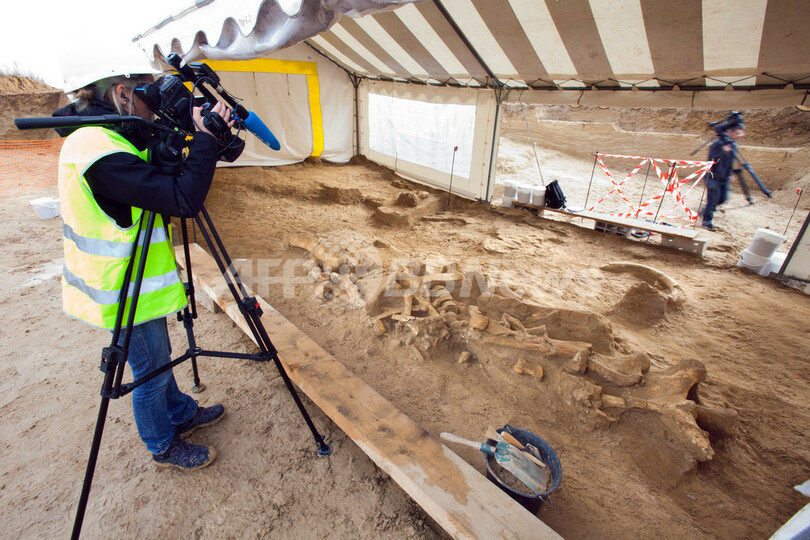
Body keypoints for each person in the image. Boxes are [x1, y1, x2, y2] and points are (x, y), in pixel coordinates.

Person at [56, 70, 233, 471]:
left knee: (159, 355)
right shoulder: (97, 149)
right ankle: (163, 445)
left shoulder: (104, 135)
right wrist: (204, 139)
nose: (153, 105)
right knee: (151, 371)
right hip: (121, 285)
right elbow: (181, 199)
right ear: (121, 94)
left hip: (136, 281)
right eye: (145, 94)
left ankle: (181, 413)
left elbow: (152, 180)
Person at [702, 120, 745, 231]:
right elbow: (712, 159)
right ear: (730, 132)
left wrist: (730, 174)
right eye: (737, 133)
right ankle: (707, 221)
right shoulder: (718, 144)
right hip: (713, 177)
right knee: (712, 199)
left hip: (724, 178)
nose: (739, 136)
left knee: (722, 198)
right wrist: (723, 152)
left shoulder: (732, 145)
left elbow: (730, 162)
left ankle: (706, 210)